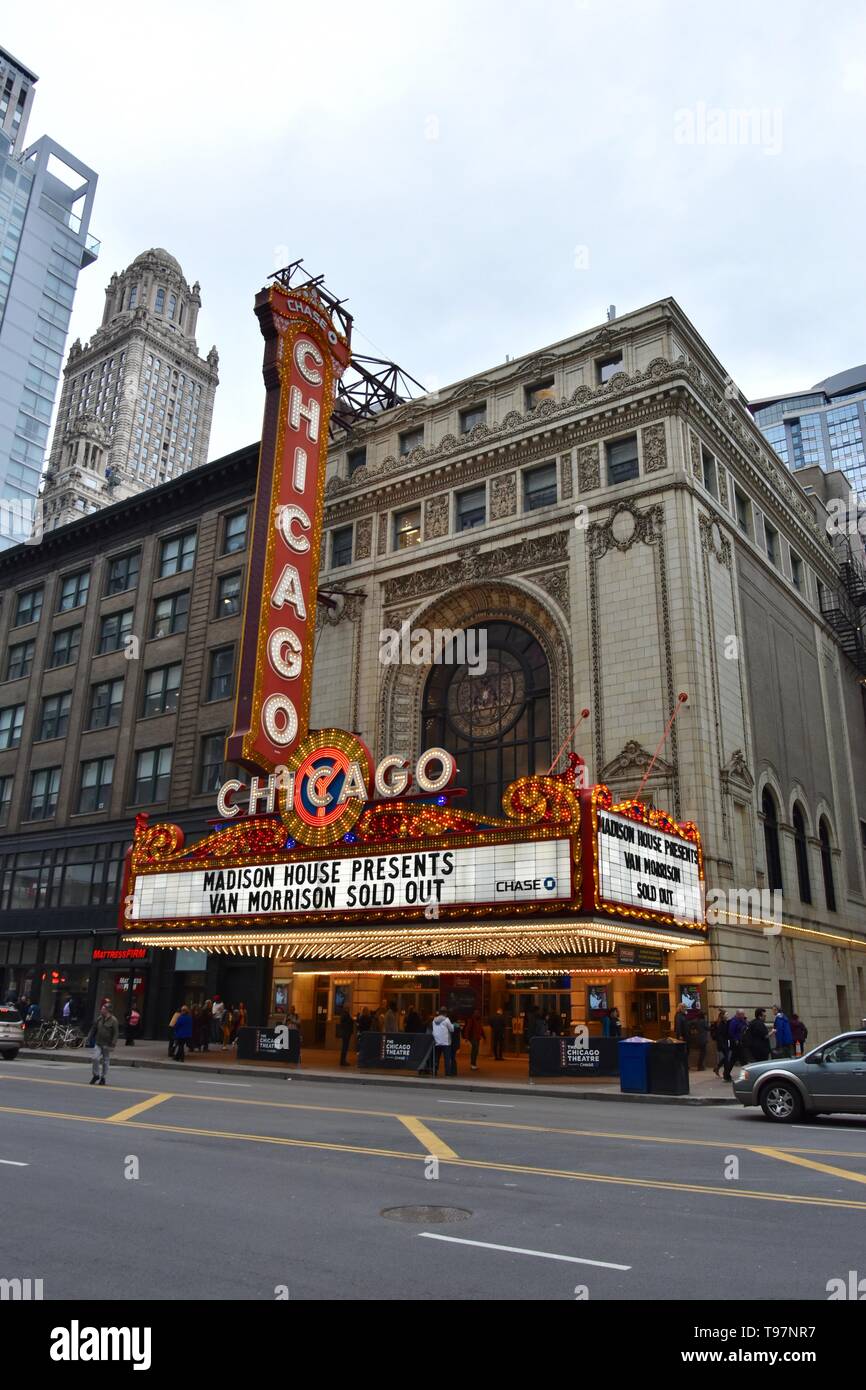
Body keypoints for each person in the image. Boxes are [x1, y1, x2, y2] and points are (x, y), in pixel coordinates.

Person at [89, 1001, 119, 1085]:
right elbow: (94, 1028)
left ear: (107, 1010)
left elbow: (116, 1033)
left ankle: (103, 1077)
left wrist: (113, 1043)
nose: (101, 1010)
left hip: (107, 1044)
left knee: (105, 1061)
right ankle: (96, 1075)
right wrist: (90, 1037)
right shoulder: (100, 1018)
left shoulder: (114, 1020)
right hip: (98, 1042)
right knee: (95, 1058)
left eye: (103, 1009)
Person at [432, 1005, 454, 1076]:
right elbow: (451, 1029)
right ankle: (447, 1073)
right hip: (446, 1042)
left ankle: (434, 1071)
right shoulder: (447, 1020)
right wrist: (454, 1025)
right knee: (447, 1058)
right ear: (445, 1013)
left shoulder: (434, 1020)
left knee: (436, 1058)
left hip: (437, 1042)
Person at [711, 1009, 730, 1079]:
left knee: (726, 1057)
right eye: (726, 1014)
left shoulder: (725, 1023)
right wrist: (722, 1044)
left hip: (725, 1042)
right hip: (722, 1043)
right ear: (723, 1016)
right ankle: (725, 1072)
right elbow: (719, 1035)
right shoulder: (720, 1024)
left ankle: (718, 1068)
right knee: (727, 1058)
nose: (728, 1016)